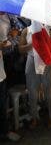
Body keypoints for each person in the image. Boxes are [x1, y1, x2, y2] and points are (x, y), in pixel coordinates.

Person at [18, 24, 51, 129]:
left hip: (48, 62)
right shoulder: (26, 31)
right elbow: (20, 49)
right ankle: (34, 118)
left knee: (49, 92)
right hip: (31, 60)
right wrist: (30, 46)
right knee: (32, 92)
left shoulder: (49, 30)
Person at [0, 12, 21, 142]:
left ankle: (5, 130)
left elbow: (18, 29)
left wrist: (13, 35)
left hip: (1, 70)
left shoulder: (9, 15)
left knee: (2, 101)